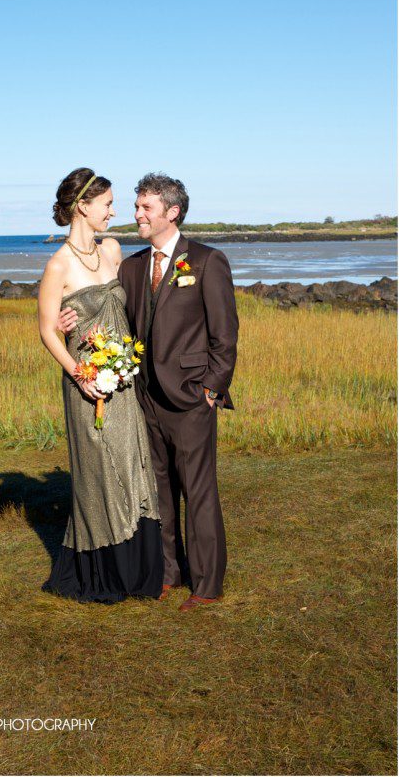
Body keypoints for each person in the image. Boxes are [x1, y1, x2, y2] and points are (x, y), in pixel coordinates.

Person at [58, 173, 239, 612]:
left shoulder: (207, 261)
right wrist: (71, 321)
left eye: (145, 208)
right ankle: (166, 575)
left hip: (193, 398)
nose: (136, 214)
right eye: (136, 206)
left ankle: (206, 585)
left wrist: (212, 390)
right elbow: (113, 317)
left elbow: (225, 335)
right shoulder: (134, 266)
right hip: (142, 400)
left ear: (171, 213)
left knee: (198, 493)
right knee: (159, 494)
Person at [37, 167, 164, 603]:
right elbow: (47, 332)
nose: (114, 212)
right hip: (86, 384)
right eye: (107, 204)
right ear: (82, 207)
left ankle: (139, 569)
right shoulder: (58, 265)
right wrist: (78, 372)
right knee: (98, 471)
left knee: (131, 461)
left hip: (123, 381)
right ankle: (100, 572)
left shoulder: (112, 249)